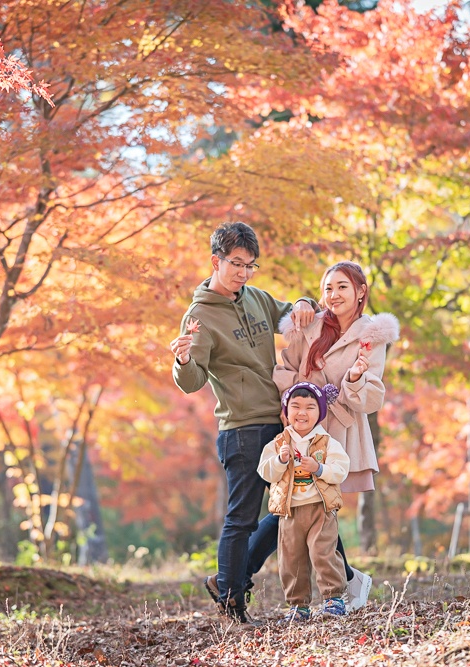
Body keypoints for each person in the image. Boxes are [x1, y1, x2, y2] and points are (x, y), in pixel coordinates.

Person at [169, 223, 369, 623]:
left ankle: (337, 582)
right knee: (242, 517)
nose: (243, 272)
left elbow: (294, 312)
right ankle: (232, 599)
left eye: (250, 265)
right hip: (242, 428)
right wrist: (183, 358)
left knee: (302, 502)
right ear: (216, 261)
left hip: (280, 424)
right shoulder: (200, 317)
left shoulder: (256, 297)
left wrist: (301, 301)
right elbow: (191, 383)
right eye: (236, 264)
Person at [274, 261, 399, 598]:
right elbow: (284, 366)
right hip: (302, 428)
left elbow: (370, 399)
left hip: (339, 433)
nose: (334, 295)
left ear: (361, 291)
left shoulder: (371, 336)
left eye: (343, 287)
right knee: (299, 504)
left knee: (309, 505)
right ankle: (348, 583)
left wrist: (356, 378)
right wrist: (295, 400)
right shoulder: (310, 326)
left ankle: (335, 590)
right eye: (328, 288)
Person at [258, 382, 351, 621]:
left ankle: (333, 599)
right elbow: (265, 472)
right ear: (286, 412)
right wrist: (280, 460)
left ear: (319, 413)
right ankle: (298, 606)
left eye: (310, 407)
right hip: (289, 511)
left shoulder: (326, 441)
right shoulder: (278, 443)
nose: (302, 412)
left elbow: (341, 470)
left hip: (320, 508)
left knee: (323, 553)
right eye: (295, 406)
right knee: (291, 559)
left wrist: (319, 468)